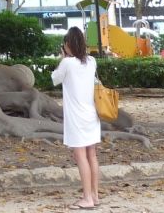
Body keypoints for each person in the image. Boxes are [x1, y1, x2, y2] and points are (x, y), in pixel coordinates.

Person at [51, 26, 101, 210]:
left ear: (68, 44)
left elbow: (55, 79)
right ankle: (94, 195)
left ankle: (87, 198)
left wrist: (62, 58)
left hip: (76, 117)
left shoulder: (67, 63)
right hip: (91, 115)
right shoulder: (92, 61)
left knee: (80, 156)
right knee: (92, 155)